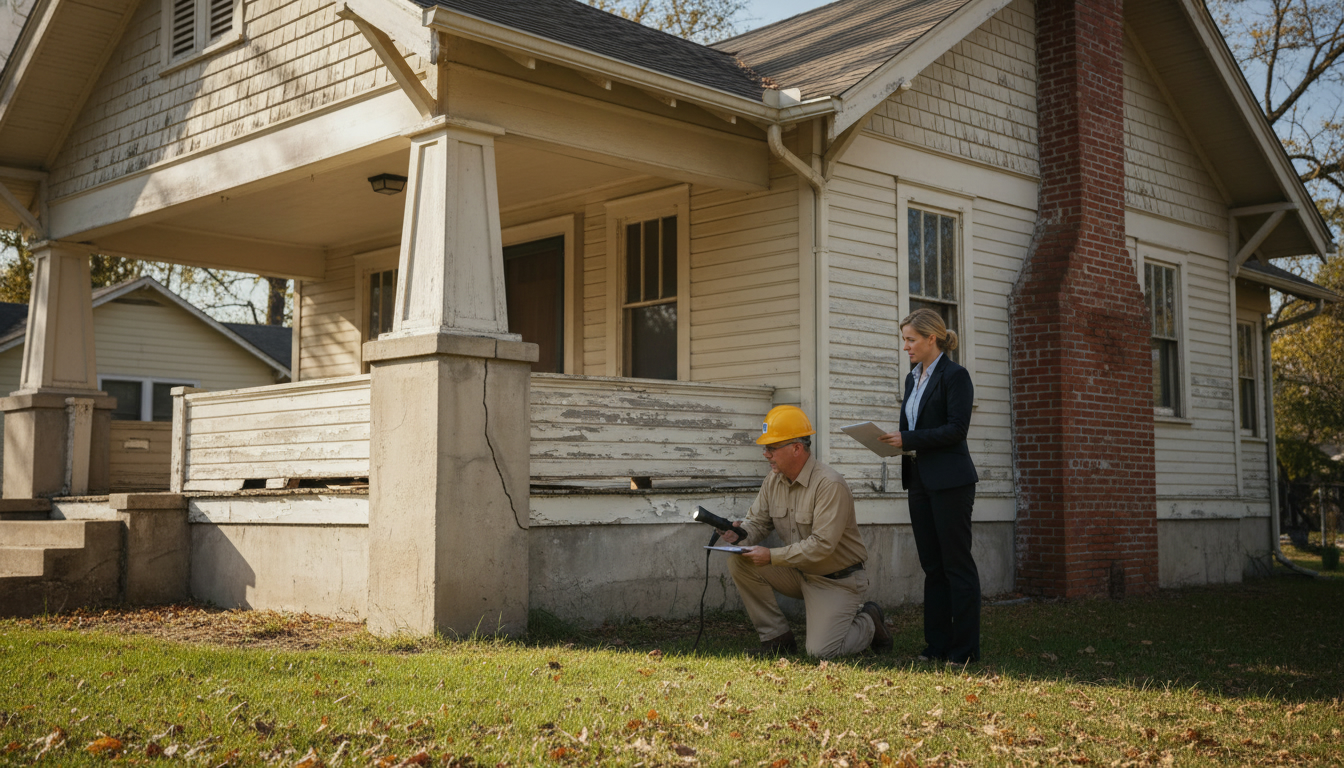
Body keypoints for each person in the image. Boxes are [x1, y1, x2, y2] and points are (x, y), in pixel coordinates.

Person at [718, 405, 892, 658]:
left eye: (771, 448)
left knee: (821, 653)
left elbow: (822, 546)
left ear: (797, 448)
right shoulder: (773, 481)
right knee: (739, 561)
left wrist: (772, 556)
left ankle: (869, 621)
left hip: (835, 580)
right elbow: (758, 522)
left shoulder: (829, 484)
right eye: (765, 448)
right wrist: (741, 534)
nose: (766, 454)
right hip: (799, 573)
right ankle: (777, 639)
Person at [880, 308, 981, 663]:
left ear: (931, 339)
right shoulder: (912, 379)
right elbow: (915, 427)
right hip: (919, 478)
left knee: (956, 565)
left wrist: (908, 437)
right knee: (932, 567)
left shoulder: (956, 377)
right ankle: (936, 646)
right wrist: (896, 442)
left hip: (951, 481)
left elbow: (956, 429)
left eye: (910, 340)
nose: (905, 346)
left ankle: (965, 650)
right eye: (904, 340)